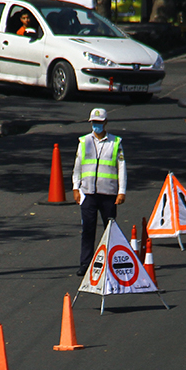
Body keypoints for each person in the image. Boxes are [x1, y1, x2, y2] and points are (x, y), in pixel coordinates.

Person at [72, 108, 127, 276]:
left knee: (110, 230)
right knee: (88, 230)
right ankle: (85, 264)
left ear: (105, 123)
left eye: (99, 123)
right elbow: (77, 166)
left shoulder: (115, 142)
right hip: (88, 193)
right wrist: (75, 187)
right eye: (93, 123)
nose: (96, 126)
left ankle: (111, 263)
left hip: (108, 194)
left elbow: (122, 168)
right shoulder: (84, 142)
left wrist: (121, 191)